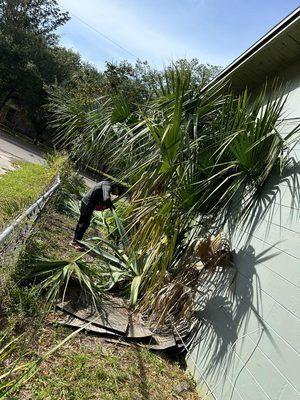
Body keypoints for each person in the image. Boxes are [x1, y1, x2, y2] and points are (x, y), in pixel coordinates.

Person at [72, 180, 124, 248]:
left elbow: (103, 200)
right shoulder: (107, 185)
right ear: (117, 188)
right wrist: (111, 206)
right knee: (84, 224)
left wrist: (107, 206)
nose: (116, 195)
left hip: (87, 204)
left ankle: (76, 241)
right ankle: (76, 242)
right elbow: (106, 198)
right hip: (87, 204)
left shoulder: (106, 185)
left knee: (83, 223)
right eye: (118, 193)